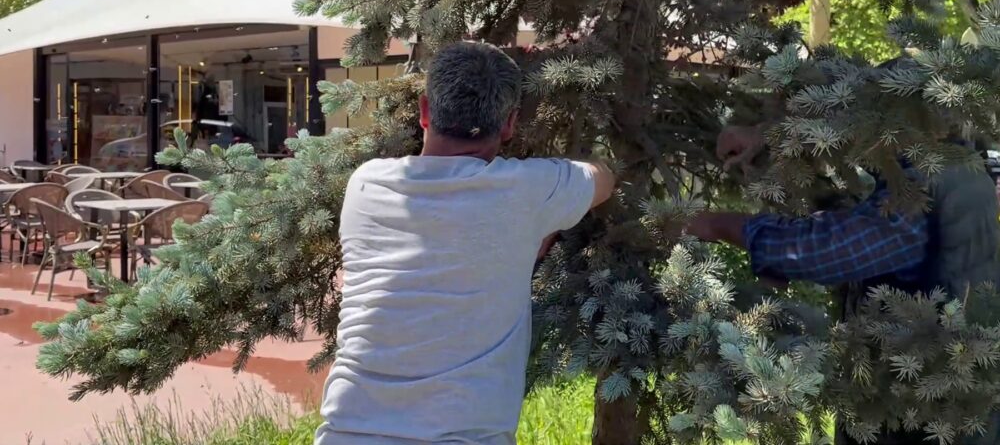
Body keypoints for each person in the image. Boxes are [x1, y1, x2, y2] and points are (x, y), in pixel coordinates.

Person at [315, 41, 616, 445]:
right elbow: (602, 178)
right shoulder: (527, 191)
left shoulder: (366, 182)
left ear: (425, 112)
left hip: (348, 433)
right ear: (509, 124)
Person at [687, 123, 1000, 445]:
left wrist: (712, 224)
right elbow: (851, 205)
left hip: (922, 416)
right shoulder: (958, 171)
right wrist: (769, 137)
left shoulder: (923, 188)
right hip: (928, 400)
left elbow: (821, 251)